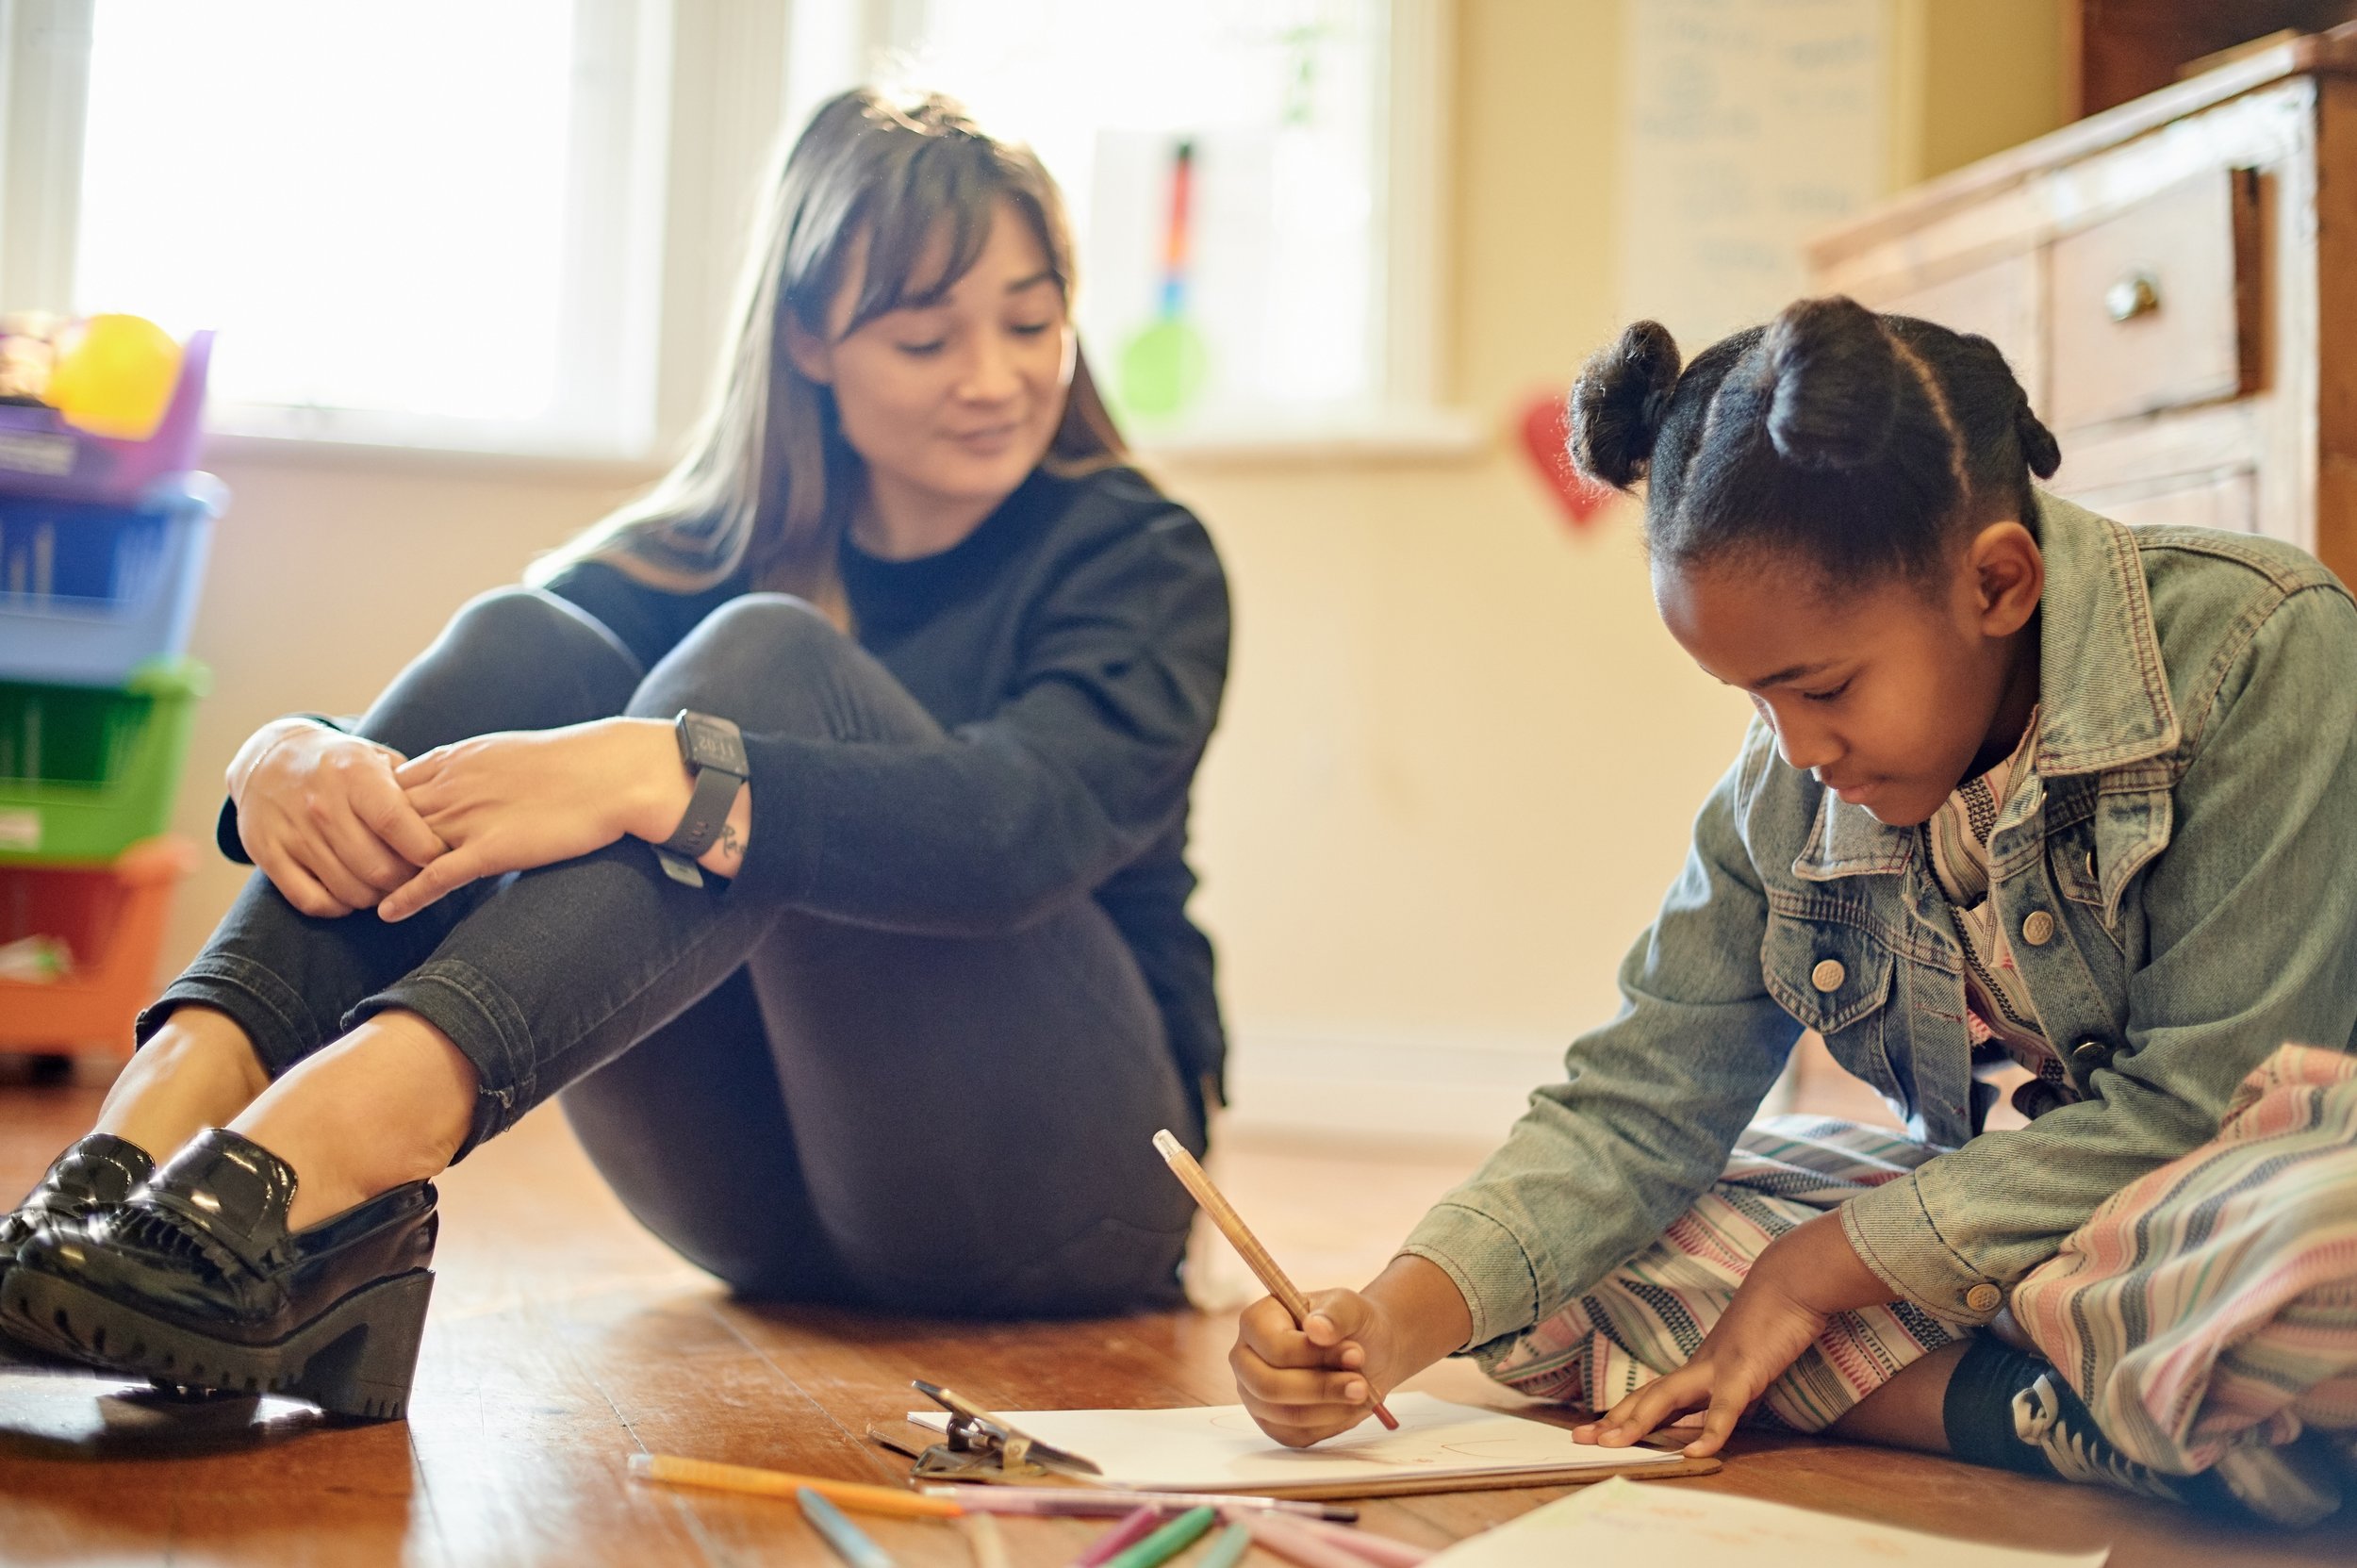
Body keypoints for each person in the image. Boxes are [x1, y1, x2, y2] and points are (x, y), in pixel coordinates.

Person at [0, 89, 1229, 1421]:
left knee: (758, 670)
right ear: (809, 339)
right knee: (536, 640)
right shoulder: (697, 545)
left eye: (1033, 322)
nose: (996, 379)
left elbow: (1017, 829)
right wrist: (292, 756)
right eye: (928, 337)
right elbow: (472, 721)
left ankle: (329, 1151)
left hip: (1059, 1197)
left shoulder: (1137, 556)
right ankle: (151, 1127)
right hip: (750, 1208)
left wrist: (673, 776)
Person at [1223, 297, 2357, 1525]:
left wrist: (1823, 1269)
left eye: (1819, 688)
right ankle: (2076, 1414)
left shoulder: (2261, 648)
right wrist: (1383, 1328)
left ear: (1999, 583)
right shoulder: (1789, 785)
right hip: (2024, 1241)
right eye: (1752, 700)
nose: (1796, 748)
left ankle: (2069, 1390)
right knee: (1577, 1263)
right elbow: (1634, 1111)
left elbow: (2209, 1109)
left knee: (2313, 1248)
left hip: (2232, 1198)